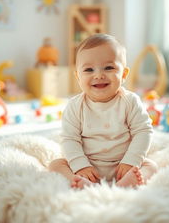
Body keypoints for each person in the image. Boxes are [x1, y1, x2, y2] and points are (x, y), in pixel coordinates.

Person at [49, 33, 158, 189]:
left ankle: (125, 184)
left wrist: (131, 161)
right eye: (88, 69)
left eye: (108, 68)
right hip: (89, 167)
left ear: (124, 74)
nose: (99, 75)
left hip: (123, 166)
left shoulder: (130, 101)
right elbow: (69, 139)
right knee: (56, 165)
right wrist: (80, 166)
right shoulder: (75, 106)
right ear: (78, 77)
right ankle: (82, 182)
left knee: (151, 166)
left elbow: (143, 131)